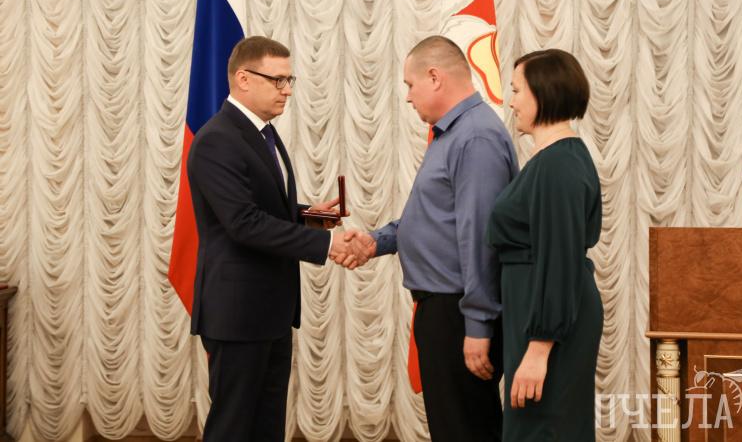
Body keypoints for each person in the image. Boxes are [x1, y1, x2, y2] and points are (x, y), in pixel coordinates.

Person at [342, 35, 518, 442]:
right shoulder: (453, 134)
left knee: (465, 430)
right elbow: (435, 219)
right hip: (446, 309)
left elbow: (480, 237)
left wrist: (478, 326)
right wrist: (377, 241)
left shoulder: (475, 138)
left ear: (435, 77)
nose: (407, 96)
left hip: (458, 312)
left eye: (410, 84)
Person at [187, 36, 354, 441]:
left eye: (289, 80)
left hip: (270, 311)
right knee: (232, 428)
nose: (287, 90)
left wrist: (309, 217)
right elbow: (242, 222)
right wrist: (326, 246)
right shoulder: (217, 139)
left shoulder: (262, 133)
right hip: (238, 313)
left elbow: (262, 206)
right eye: (278, 80)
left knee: (266, 427)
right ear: (243, 79)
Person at [485, 48, 603, 440]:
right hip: (536, 313)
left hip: (548, 322)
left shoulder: (558, 165)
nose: (511, 101)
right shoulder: (553, 159)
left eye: (517, 90)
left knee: (544, 428)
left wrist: (539, 349)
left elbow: (560, 259)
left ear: (544, 92)